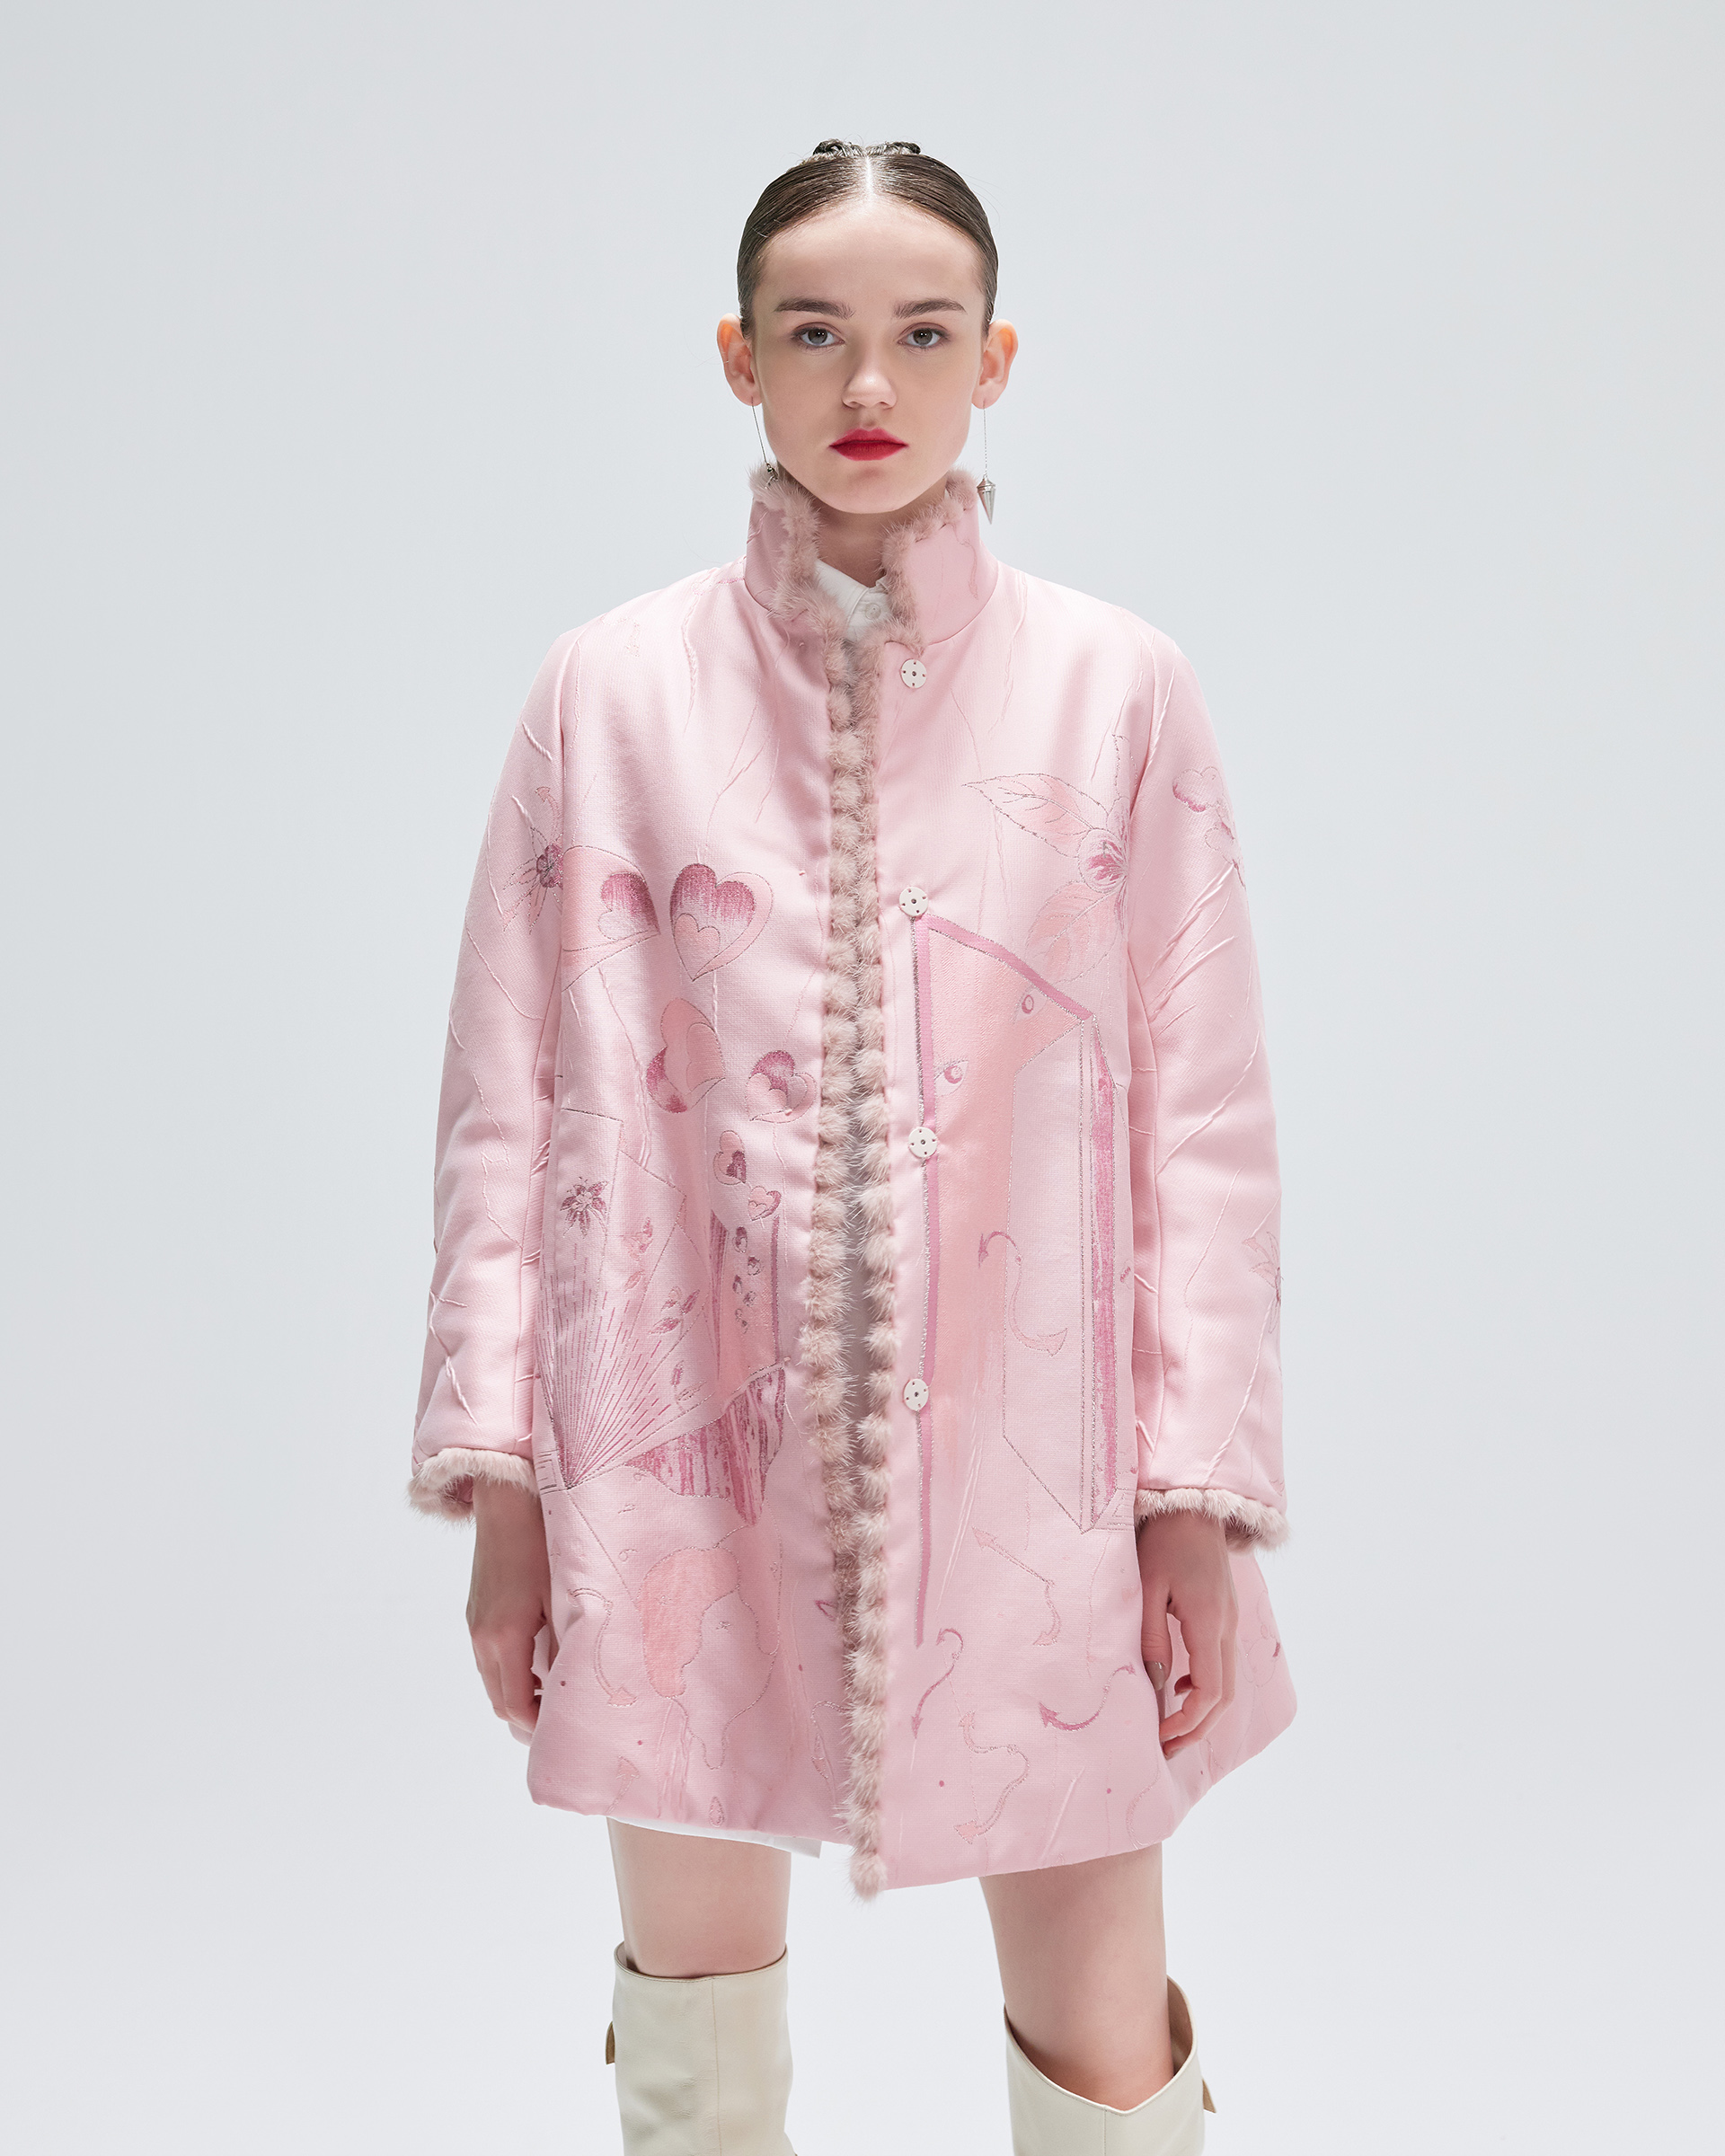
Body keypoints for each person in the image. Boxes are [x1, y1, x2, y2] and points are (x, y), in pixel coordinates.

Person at [411, 139, 1295, 2156]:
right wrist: (508, 1491)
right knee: (694, 2015)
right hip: (670, 1455)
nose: (869, 382)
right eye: (814, 334)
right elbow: (507, 1102)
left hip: (1043, 1463)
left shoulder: (1118, 690)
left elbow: (1206, 1121)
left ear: (998, 358)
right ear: (740, 359)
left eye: (922, 334)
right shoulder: (609, 694)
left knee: (1102, 2023)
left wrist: (1192, 1499)